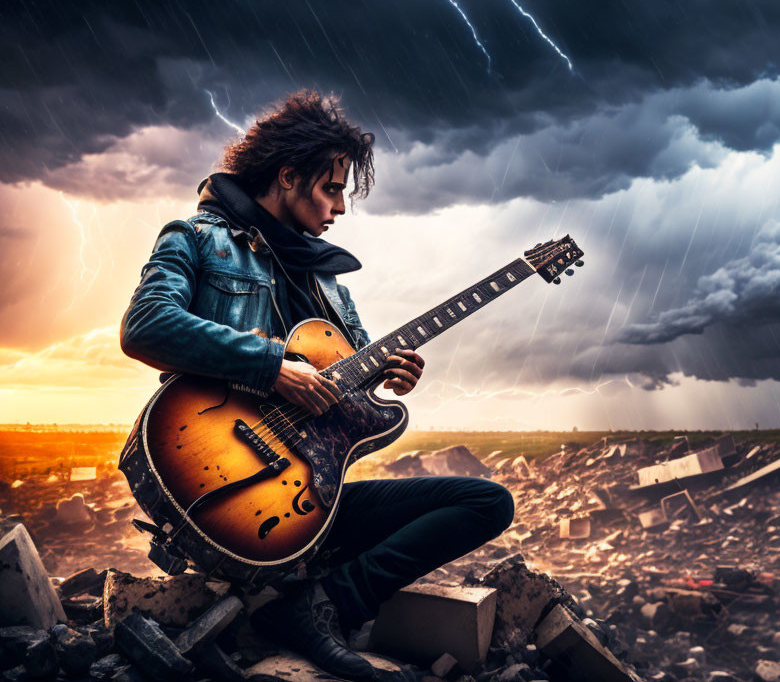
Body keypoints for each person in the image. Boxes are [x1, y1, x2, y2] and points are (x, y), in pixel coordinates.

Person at [119, 90, 515, 682]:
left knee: (486, 502)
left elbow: (351, 394)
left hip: (309, 504)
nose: (340, 208)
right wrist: (272, 366)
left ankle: (321, 607)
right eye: (332, 189)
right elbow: (145, 325)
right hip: (231, 487)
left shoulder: (330, 284)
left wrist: (387, 377)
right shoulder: (196, 238)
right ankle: (307, 609)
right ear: (286, 176)